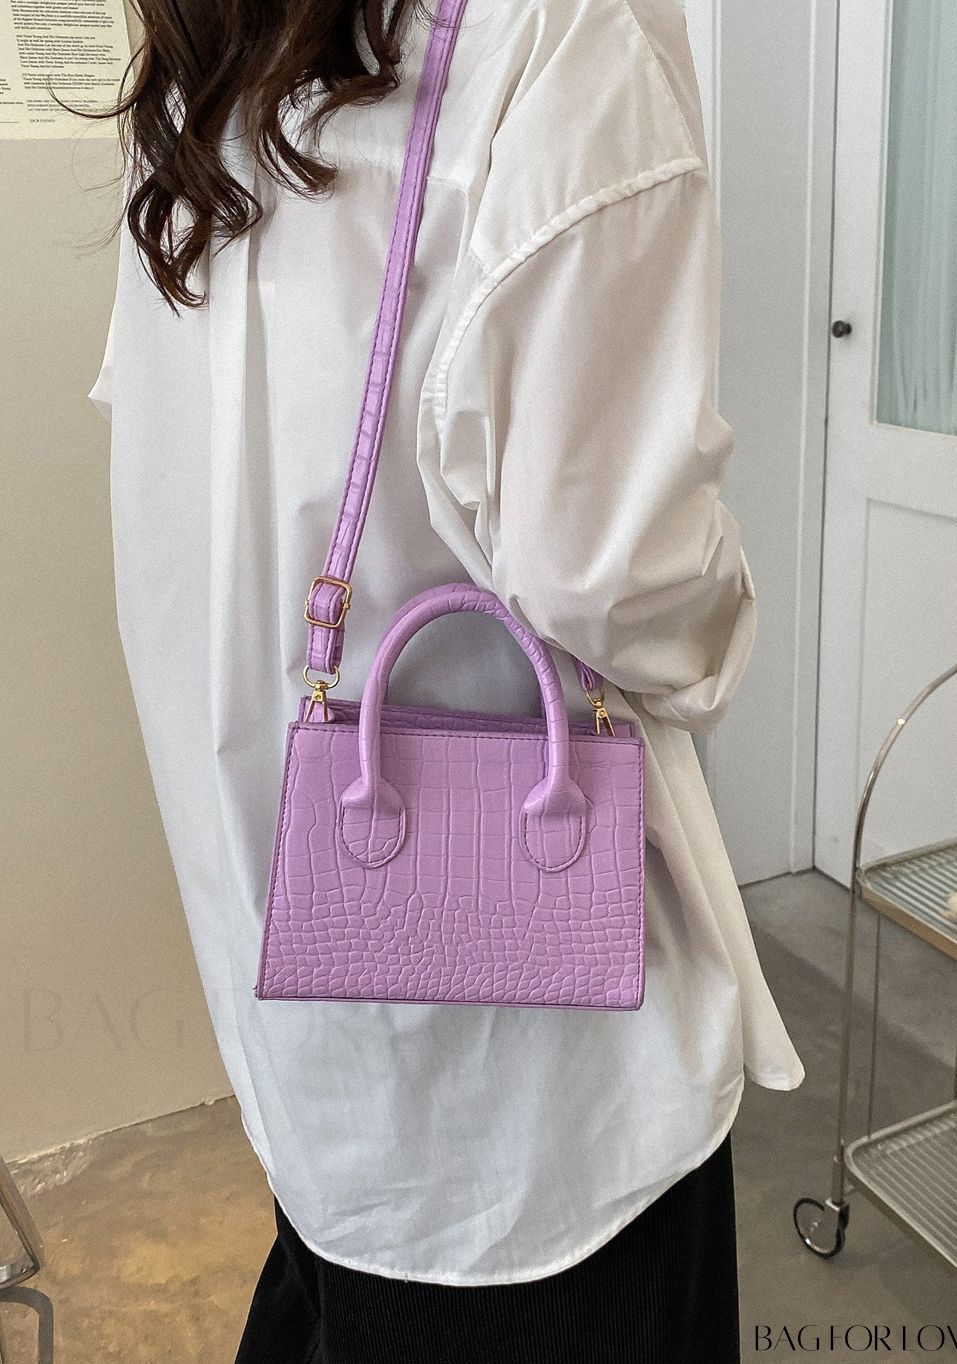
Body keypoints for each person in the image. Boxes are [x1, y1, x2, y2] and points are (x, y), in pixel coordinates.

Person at [87, 1, 803, 1359]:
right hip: (547, 1118)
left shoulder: (202, 72)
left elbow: (177, 484)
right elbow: (613, 573)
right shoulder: (570, 33)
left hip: (298, 1041)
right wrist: (726, 631)